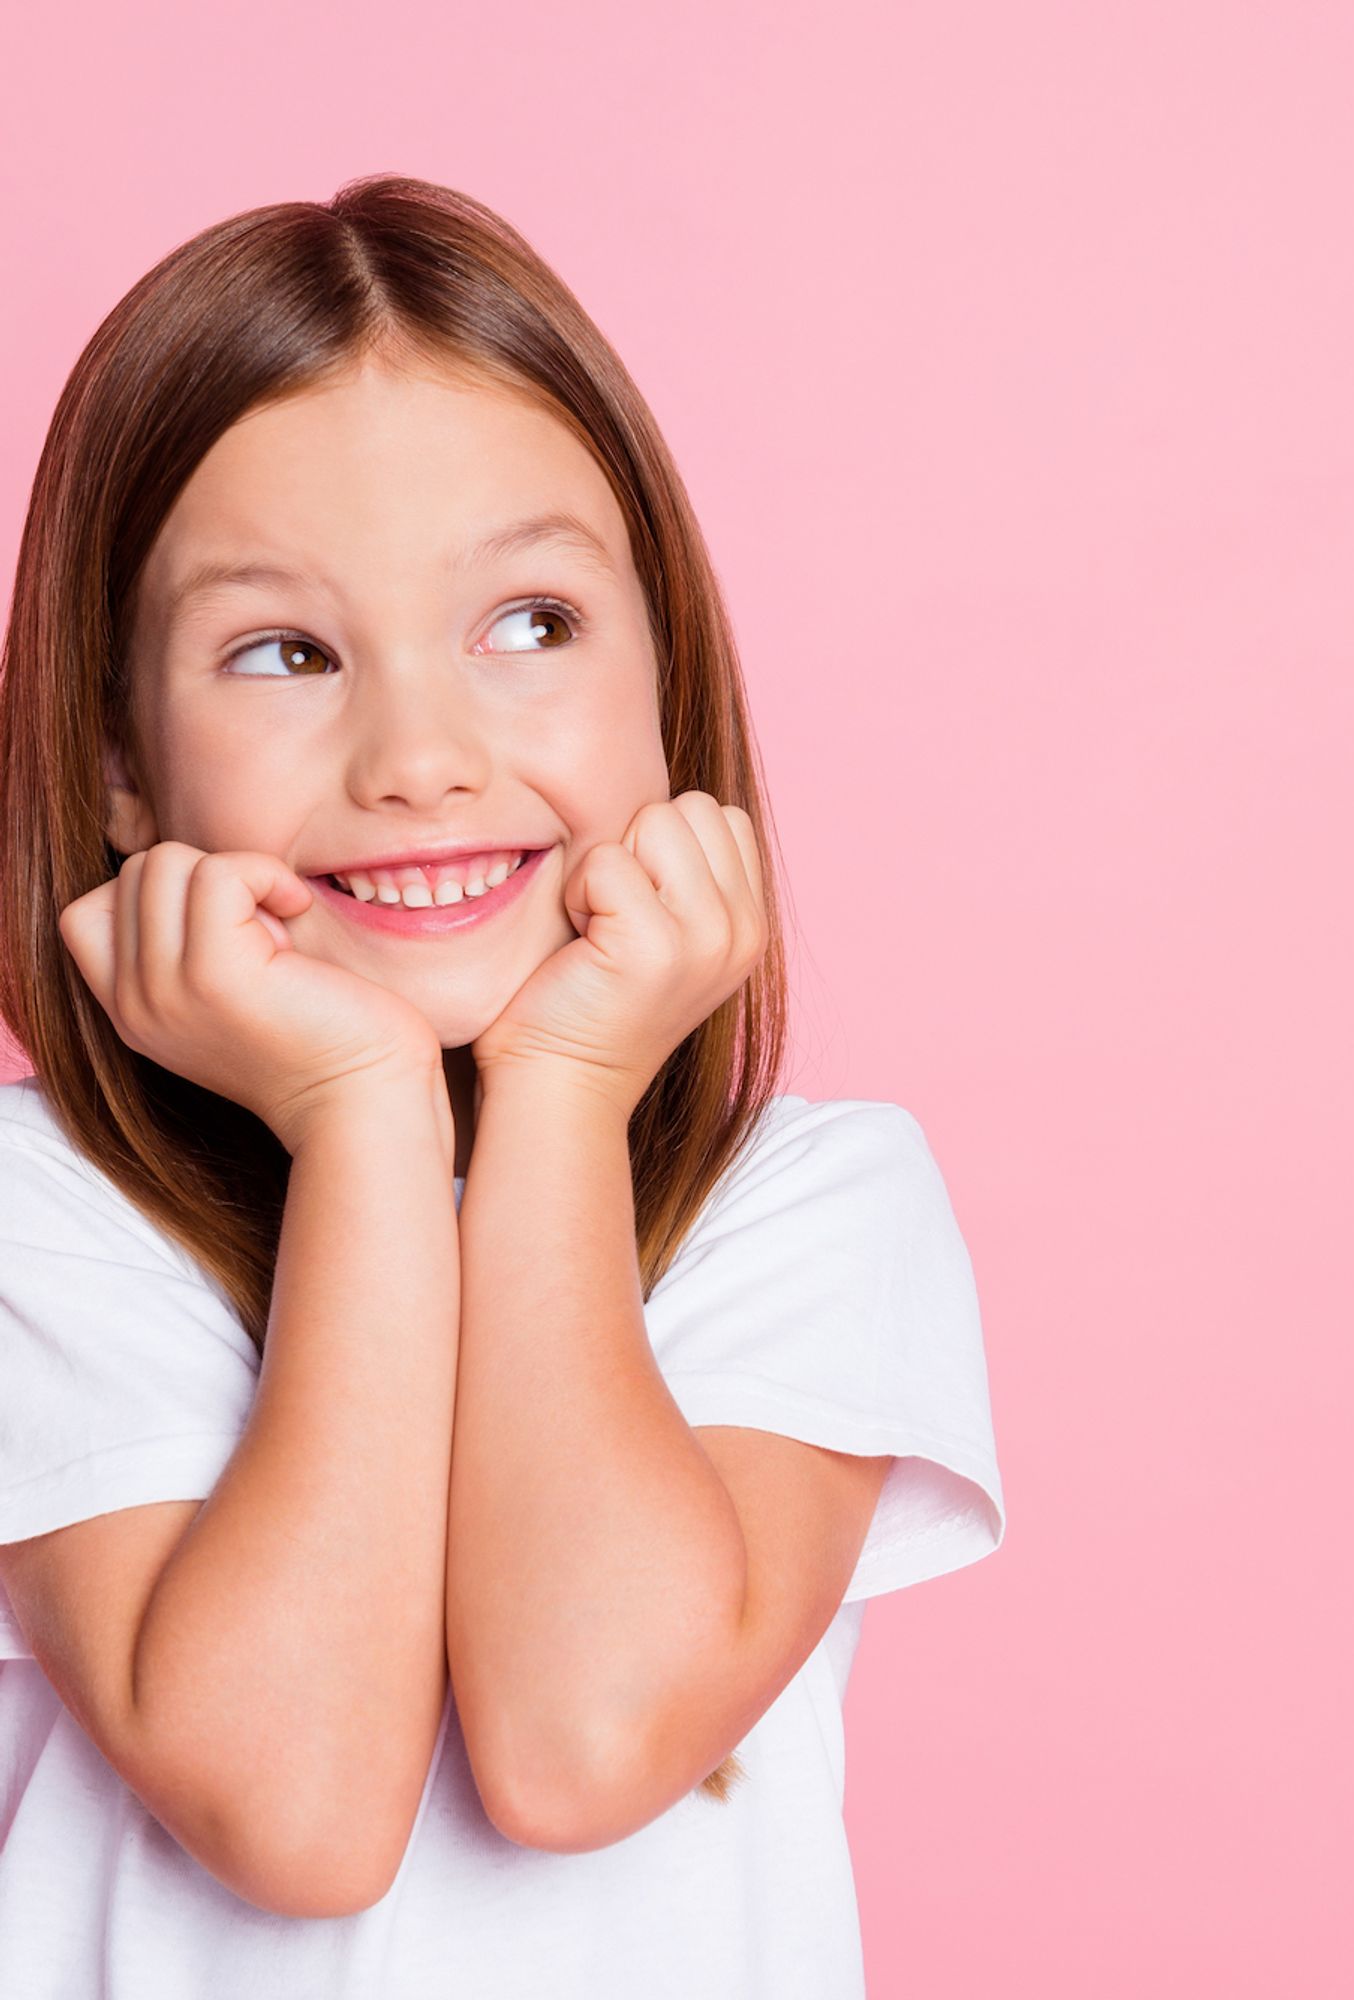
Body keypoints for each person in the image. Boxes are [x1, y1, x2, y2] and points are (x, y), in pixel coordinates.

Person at [0, 174, 1005, 1998]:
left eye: (528, 624)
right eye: (285, 654)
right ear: (123, 774)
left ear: (664, 679)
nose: (423, 760)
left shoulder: (813, 1207)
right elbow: (293, 1808)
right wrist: (364, 1122)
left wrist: (556, 1086)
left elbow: (579, 1740)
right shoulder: (42, 1213)